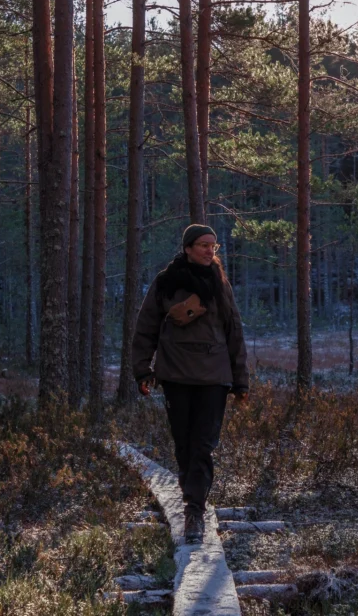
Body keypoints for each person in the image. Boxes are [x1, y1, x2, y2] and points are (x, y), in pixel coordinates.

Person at [132, 224, 249, 544]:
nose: (210, 250)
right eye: (203, 245)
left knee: (203, 444)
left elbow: (234, 331)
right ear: (187, 248)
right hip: (175, 376)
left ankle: (194, 509)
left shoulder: (220, 283)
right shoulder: (165, 283)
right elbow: (146, 327)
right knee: (184, 444)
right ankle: (191, 500)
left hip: (214, 378)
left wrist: (241, 381)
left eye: (214, 245)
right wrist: (143, 371)